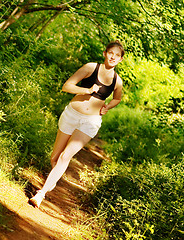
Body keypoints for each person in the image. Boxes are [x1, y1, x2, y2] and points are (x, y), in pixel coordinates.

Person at [28, 40, 124, 208]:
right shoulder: (90, 67)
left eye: (117, 55)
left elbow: (117, 98)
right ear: (105, 53)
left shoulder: (117, 81)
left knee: (66, 156)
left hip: (90, 121)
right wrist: (86, 90)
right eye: (111, 53)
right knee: (55, 158)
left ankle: (41, 194)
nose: (113, 57)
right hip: (72, 114)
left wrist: (108, 106)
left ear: (120, 59)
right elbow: (67, 86)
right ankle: (53, 179)